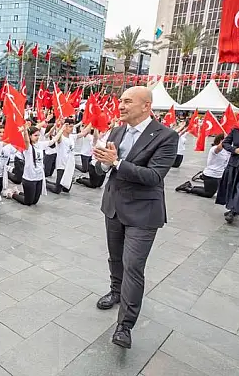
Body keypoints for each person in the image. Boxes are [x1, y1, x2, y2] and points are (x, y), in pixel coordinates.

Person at [90, 86, 179, 349]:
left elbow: (153, 176)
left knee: (133, 266)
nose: (121, 105)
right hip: (114, 207)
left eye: (127, 101)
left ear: (146, 106)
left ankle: (125, 325)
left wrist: (116, 163)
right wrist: (103, 163)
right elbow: (102, 167)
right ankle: (115, 291)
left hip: (143, 212)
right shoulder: (117, 131)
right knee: (115, 258)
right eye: (120, 100)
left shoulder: (166, 136)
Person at [5, 126, 47, 206]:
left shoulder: (40, 145)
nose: (38, 137)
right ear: (30, 136)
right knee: (28, 202)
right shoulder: (28, 147)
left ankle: (18, 192)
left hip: (38, 177)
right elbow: (27, 140)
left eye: (38, 135)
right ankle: (11, 194)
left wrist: (62, 128)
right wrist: (25, 130)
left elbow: (53, 141)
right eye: (35, 135)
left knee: (34, 202)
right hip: (29, 177)